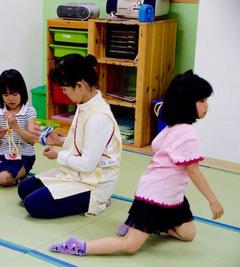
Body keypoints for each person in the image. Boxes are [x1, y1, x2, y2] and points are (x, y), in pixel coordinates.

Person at [49, 70, 224, 256]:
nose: (207, 106)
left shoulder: (175, 127)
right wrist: (213, 201)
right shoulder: (187, 133)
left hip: (172, 196)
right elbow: (193, 171)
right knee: (129, 246)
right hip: (155, 197)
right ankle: (78, 246)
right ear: (187, 104)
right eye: (202, 101)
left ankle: (140, 224)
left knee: (188, 234)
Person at [17, 54, 122, 218]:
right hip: (76, 173)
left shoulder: (98, 117)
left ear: (79, 85)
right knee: (24, 189)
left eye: (65, 89)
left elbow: (88, 164)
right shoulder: (84, 103)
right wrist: (59, 140)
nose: (64, 93)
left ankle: (99, 200)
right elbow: (84, 143)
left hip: (92, 183)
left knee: (33, 204)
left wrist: (58, 154)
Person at [0, 69, 37, 186]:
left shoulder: (29, 111)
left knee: (3, 179)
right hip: (3, 155)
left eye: (14, 94)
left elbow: (32, 140)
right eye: (6, 95)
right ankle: (5, 171)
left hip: (24, 156)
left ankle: (17, 175)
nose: (10, 99)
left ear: (22, 92)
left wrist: (15, 126)